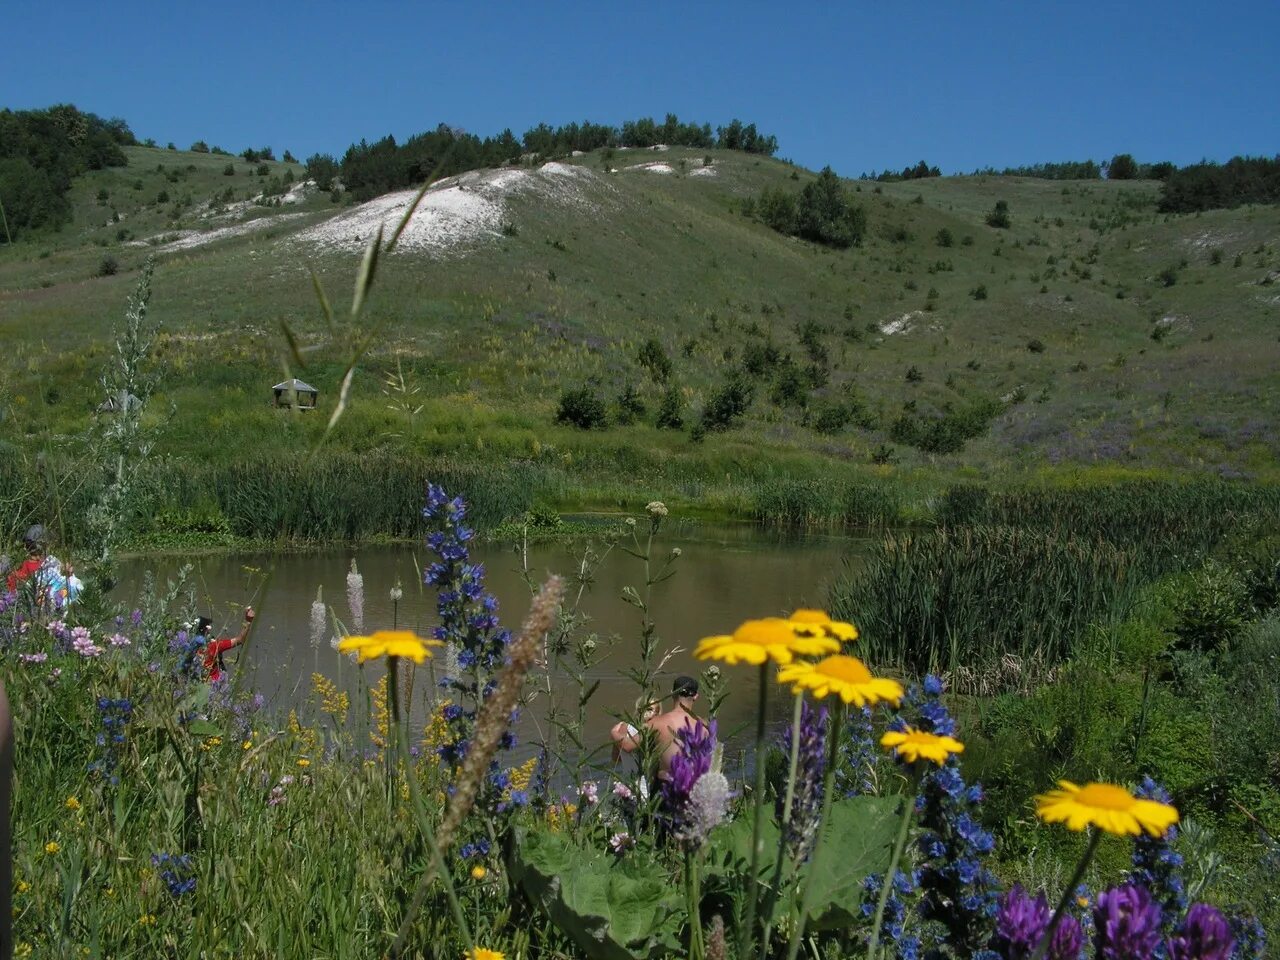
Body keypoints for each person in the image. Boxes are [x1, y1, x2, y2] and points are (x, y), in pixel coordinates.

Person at [610, 676, 706, 781]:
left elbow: (627, 746)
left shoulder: (657, 722)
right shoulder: (704, 725)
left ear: (672, 693)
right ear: (696, 696)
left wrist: (614, 732)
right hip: (696, 786)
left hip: (669, 788)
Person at [5, 524, 81, 610]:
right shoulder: (48, 561)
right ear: (45, 545)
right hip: (46, 599)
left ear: (26, 547)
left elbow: (15, 582)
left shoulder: (35, 563)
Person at [196, 607, 256, 682]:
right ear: (206, 630)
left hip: (196, 685)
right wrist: (248, 621)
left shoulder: (186, 647)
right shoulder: (215, 645)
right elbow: (240, 640)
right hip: (215, 686)